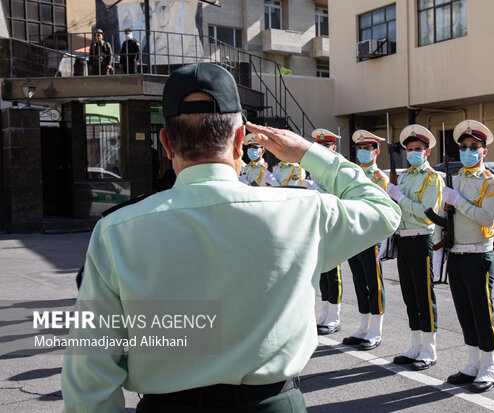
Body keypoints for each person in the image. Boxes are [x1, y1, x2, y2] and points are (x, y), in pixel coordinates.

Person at [60, 62, 401, 412]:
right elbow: (383, 209)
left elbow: (91, 367)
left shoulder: (118, 230)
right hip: (272, 403)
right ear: (241, 141)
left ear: (165, 142)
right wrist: (306, 152)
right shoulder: (302, 210)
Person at [434, 120, 494, 393]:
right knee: (465, 311)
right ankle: (473, 363)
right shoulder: (455, 179)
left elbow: (488, 219)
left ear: (484, 152)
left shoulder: (491, 184)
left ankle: (489, 367)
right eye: (463, 147)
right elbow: (443, 216)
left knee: (482, 312)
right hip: (457, 253)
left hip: (478, 255)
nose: (467, 151)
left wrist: (459, 202)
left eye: (473, 147)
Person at [386, 124, 443, 371]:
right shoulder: (405, 176)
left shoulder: (432, 178)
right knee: (409, 295)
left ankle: (429, 349)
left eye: (418, 149)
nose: (413, 153)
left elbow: (427, 214)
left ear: (427, 152)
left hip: (421, 239)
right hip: (404, 239)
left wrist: (400, 197)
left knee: (424, 294)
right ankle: (415, 345)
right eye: (409, 149)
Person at [342, 129, 389, 351]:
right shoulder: (352, 174)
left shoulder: (380, 178)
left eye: (367, 149)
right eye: (360, 148)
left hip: (370, 236)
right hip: (353, 235)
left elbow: (376, 207)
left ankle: (375, 331)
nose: (362, 152)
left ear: (376, 151)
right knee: (359, 282)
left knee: (374, 283)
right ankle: (363, 327)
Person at [310, 128, 343, 335]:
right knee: (322, 271)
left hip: (333, 222)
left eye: (326, 147)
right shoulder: (315, 168)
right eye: (319, 147)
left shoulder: (338, 168)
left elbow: (337, 194)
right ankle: (325, 311)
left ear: (333, 148)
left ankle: (335, 316)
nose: (322, 151)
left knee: (334, 272)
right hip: (319, 222)